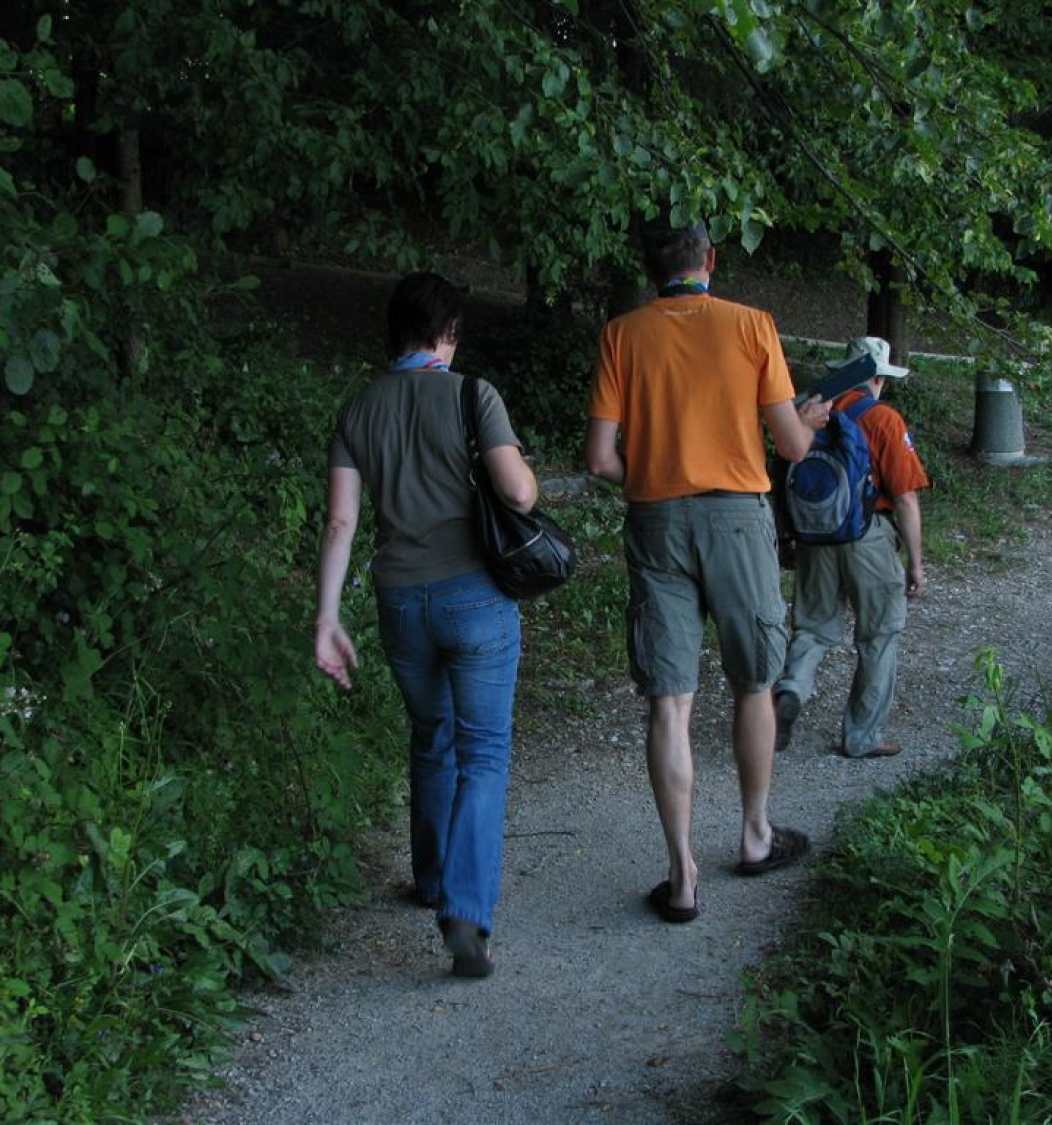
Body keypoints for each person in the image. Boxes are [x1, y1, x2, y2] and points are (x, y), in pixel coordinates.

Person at [585, 217, 831, 924]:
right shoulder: (752, 325)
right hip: (738, 520)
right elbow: (791, 443)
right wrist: (809, 419)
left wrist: (655, 476)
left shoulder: (623, 334)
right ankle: (756, 835)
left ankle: (683, 875)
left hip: (656, 519)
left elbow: (601, 458)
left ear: (649, 267)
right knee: (754, 678)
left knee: (669, 700)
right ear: (710, 260)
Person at [314, 272, 539, 978]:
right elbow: (518, 490)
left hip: (400, 603)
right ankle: (465, 913)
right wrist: (520, 472)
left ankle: (433, 876)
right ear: (447, 334)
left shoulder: (359, 409)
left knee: (431, 734)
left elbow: (342, 520)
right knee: (484, 753)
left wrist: (326, 616)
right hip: (474, 599)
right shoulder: (474, 395)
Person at [773, 336, 930, 758]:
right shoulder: (884, 420)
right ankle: (862, 737)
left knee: (813, 627)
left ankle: (790, 689)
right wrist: (916, 563)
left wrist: (788, 536)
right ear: (877, 377)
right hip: (869, 538)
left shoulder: (808, 414)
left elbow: (782, 474)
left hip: (815, 537)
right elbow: (905, 498)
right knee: (878, 635)